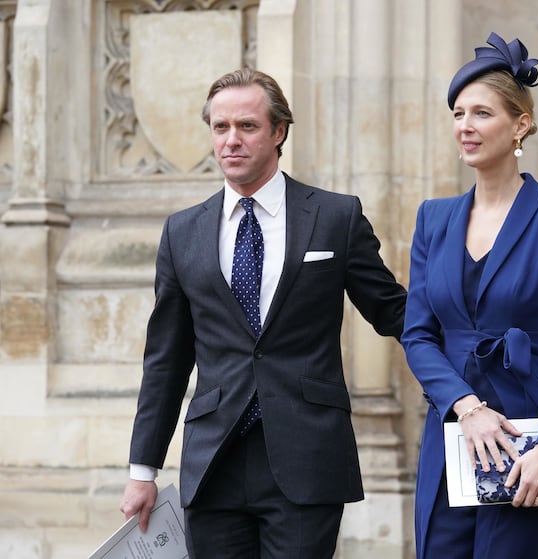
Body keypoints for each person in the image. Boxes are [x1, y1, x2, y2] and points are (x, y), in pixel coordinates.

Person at [119, 68, 407, 559]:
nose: (231, 140)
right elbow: (165, 362)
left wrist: (474, 363)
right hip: (213, 465)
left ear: (278, 132)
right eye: (220, 127)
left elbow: (394, 312)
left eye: (247, 126)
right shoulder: (182, 232)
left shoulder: (335, 217)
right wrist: (143, 472)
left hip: (306, 457)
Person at [401, 32, 538, 558]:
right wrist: (466, 407)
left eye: (481, 113)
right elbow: (418, 335)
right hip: (454, 432)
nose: (465, 127)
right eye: (457, 114)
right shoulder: (434, 218)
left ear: (520, 124)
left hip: (531, 433)